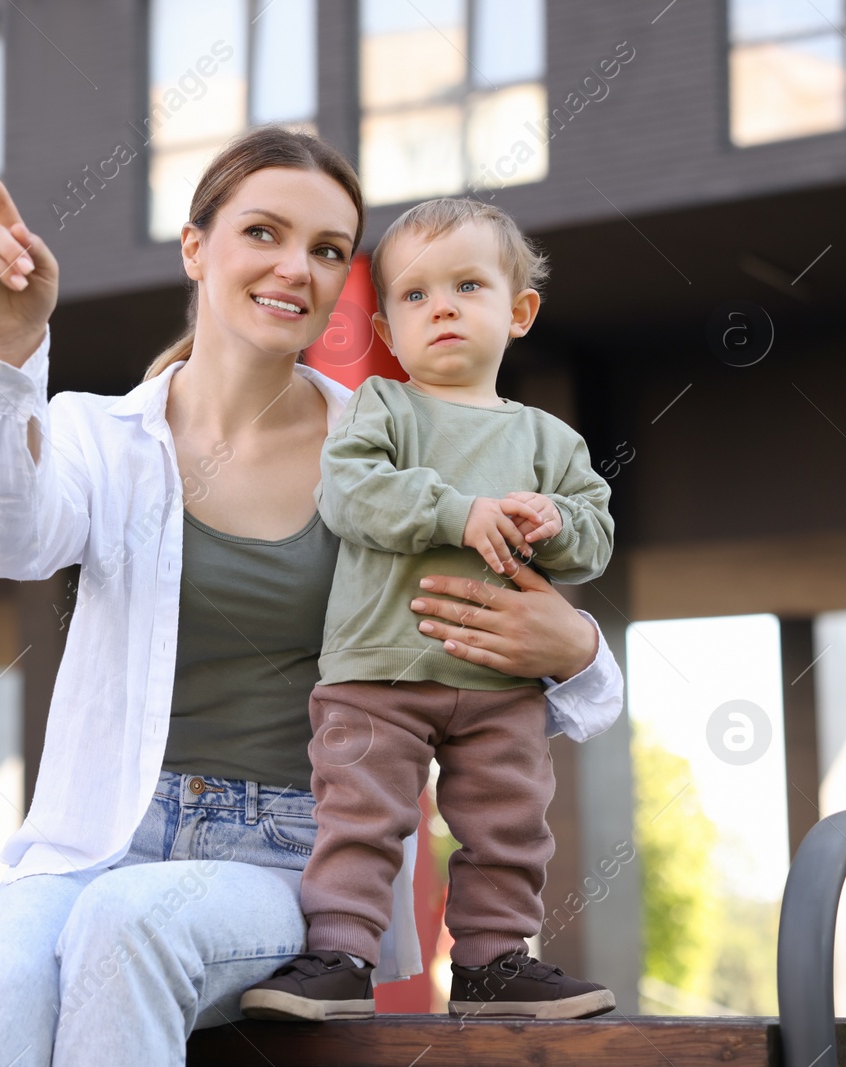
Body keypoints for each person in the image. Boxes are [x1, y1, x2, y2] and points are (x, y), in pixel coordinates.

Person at [0, 126, 623, 1067]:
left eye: (329, 249)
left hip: (293, 856)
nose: (295, 267)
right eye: (263, 231)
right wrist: (9, 359)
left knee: (126, 927)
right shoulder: (101, 434)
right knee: (9, 982)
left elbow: (518, 658)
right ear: (195, 247)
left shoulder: (386, 447)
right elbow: (5, 540)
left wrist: (576, 648)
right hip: (98, 837)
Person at [240, 197, 616, 1024]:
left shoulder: (550, 440)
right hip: (379, 673)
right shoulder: (383, 408)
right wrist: (460, 512)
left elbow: (596, 533)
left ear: (518, 313)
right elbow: (350, 493)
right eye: (414, 297)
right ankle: (338, 953)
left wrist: (557, 525)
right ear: (387, 327)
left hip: (503, 687)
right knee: (359, 818)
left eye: (467, 286)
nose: (440, 306)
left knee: (510, 825)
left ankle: (491, 963)